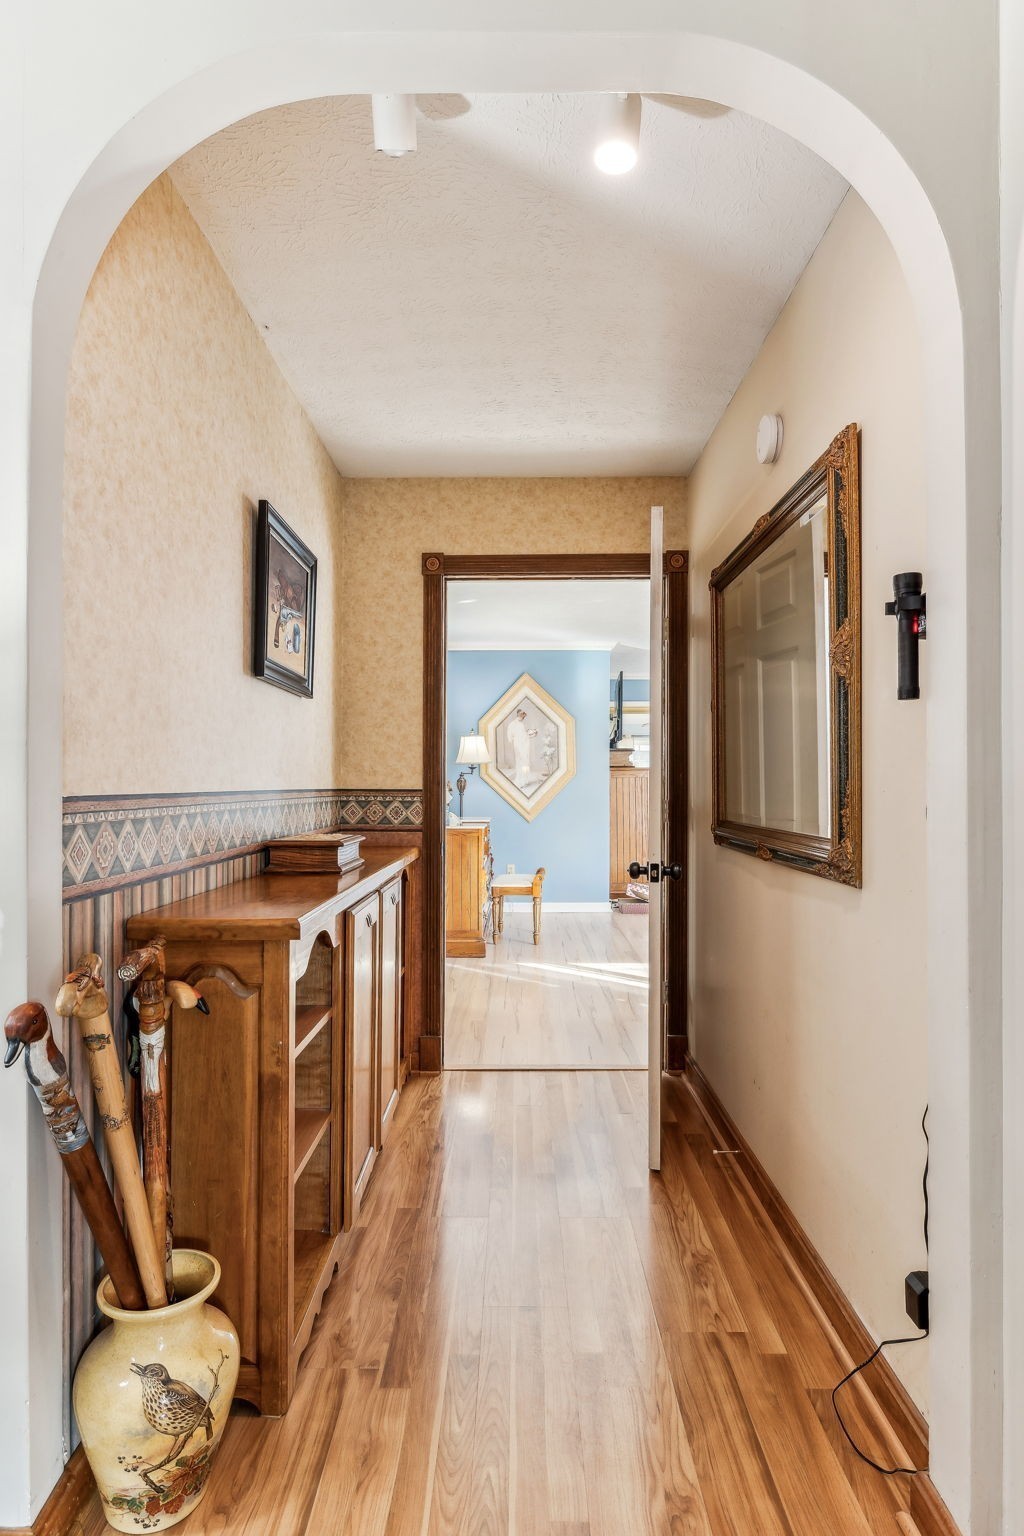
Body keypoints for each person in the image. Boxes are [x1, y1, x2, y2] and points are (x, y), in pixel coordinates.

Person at [506, 708, 537, 788]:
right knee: (520, 762)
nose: (522, 716)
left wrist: (532, 733)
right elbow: (510, 735)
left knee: (525, 762)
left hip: (525, 744)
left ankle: (525, 779)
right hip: (518, 745)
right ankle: (520, 780)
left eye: (523, 715)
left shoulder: (522, 724)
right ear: (518, 714)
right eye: (520, 714)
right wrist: (512, 740)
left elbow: (525, 734)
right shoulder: (513, 723)